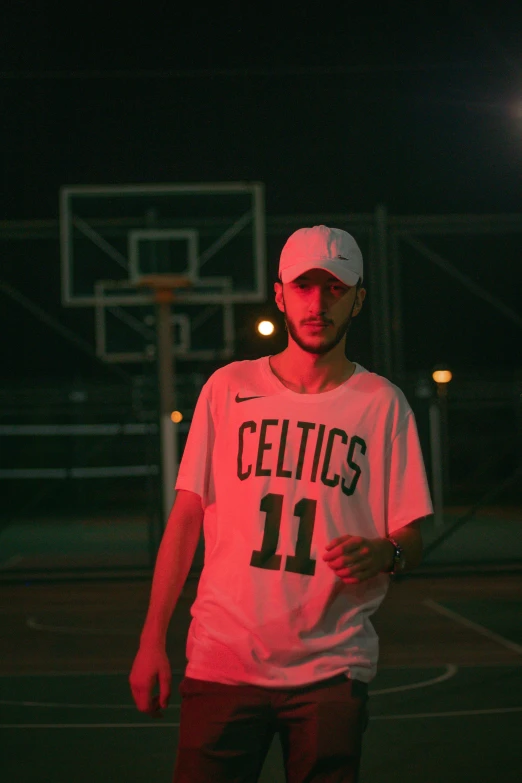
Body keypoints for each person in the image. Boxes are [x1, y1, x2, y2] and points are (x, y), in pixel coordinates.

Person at [129, 225, 434, 782]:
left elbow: (412, 538)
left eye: (335, 289)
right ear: (280, 295)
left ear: (358, 299)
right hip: (223, 662)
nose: (318, 304)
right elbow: (186, 519)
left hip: (330, 670)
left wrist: (386, 553)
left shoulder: (383, 406)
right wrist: (152, 640)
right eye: (304, 287)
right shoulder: (227, 388)